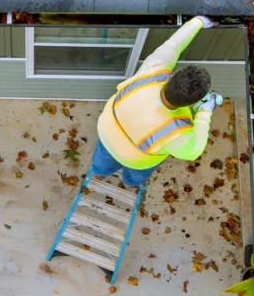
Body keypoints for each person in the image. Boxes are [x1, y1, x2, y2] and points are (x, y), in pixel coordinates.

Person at [87, 15, 220, 189]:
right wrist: (204, 113)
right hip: (136, 158)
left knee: (103, 158)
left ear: (171, 76)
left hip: (108, 132)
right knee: (138, 171)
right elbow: (193, 151)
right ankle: (130, 182)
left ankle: (100, 170)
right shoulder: (176, 132)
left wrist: (197, 23)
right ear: (191, 104)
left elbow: (173, 45)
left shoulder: (152, 71)